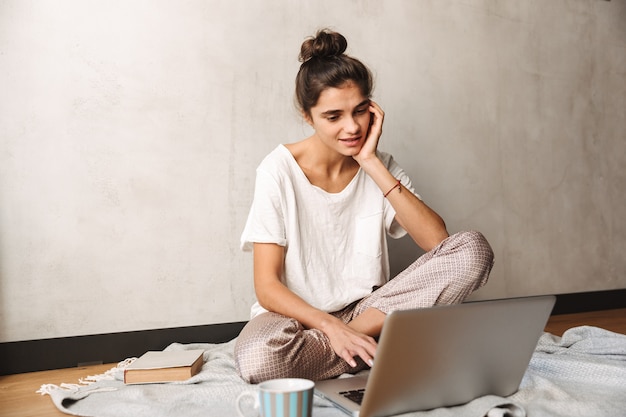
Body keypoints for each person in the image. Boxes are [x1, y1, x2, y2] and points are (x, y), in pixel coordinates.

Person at [234, 29, 494, 384]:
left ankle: (355, 340)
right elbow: (267, 285)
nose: (352, 126)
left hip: (371, 312)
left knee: (473, 250)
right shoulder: (277, 170)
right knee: (259, 359)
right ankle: (367, 348)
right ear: (307, 116)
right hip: (297, 322)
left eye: (360, 111)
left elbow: (440, 242)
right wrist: (330, 327)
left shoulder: (380, 164)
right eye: (333, 116)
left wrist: (370, 162)